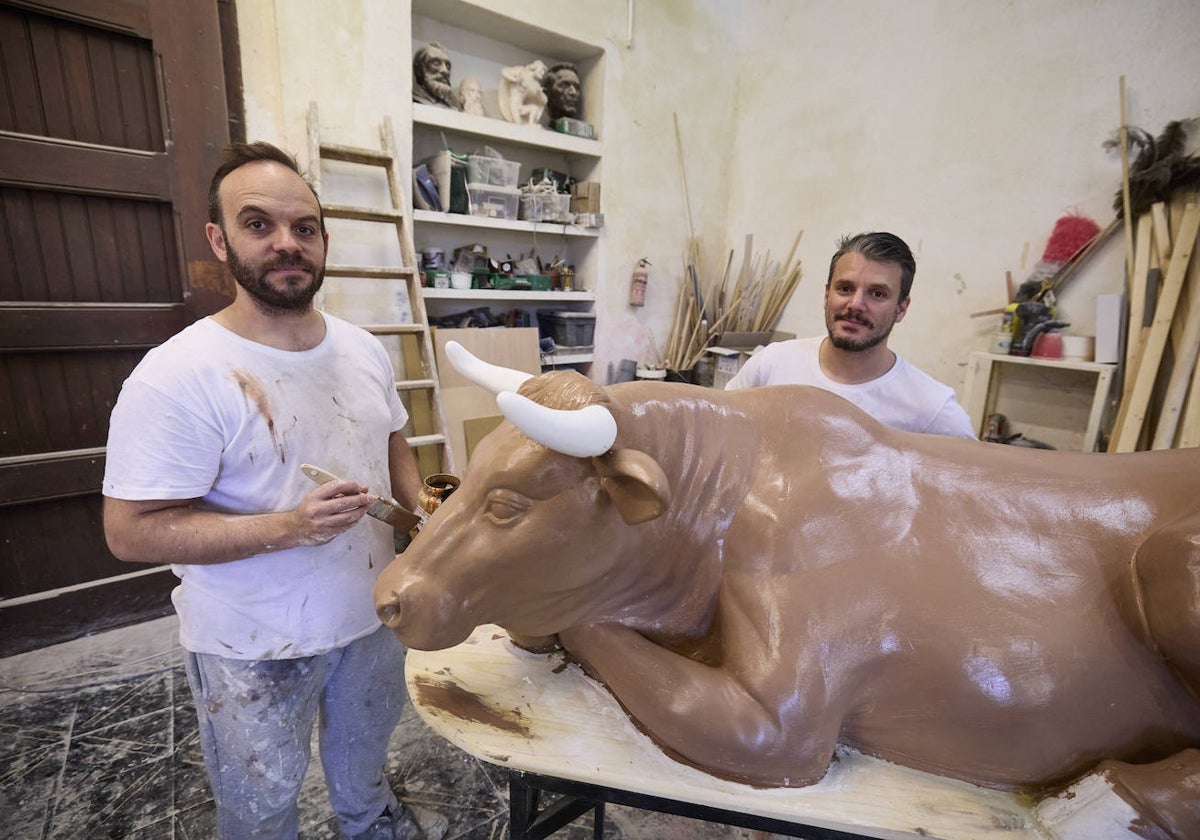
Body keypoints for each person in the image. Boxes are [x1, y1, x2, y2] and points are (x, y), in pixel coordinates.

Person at [102, 141, 436, 839]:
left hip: (376, 617)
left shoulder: (363, 347)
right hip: (253, 645)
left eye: (304, 228)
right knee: (261, 806)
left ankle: (369, 823)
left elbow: (391, 438)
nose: (287, 243)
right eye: (259, 225)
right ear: (219, 241)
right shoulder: (179, 375)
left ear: (322, 240)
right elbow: (130, 530)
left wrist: (418, 503)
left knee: (365, 766)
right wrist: (289, 528)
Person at [725, 231, 976, 438]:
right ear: (826, 296)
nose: (856, 304)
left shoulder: (932, 408)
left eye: (877, 293)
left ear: (901, 308)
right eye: (845, 288)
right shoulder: (771, 365)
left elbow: (976, 484)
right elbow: (719, 434)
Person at [412, 41, 458, 109]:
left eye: (447, 66)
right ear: (419, 69)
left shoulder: (453, 107)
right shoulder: (411, 100)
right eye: (436, 63)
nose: (445, 71)